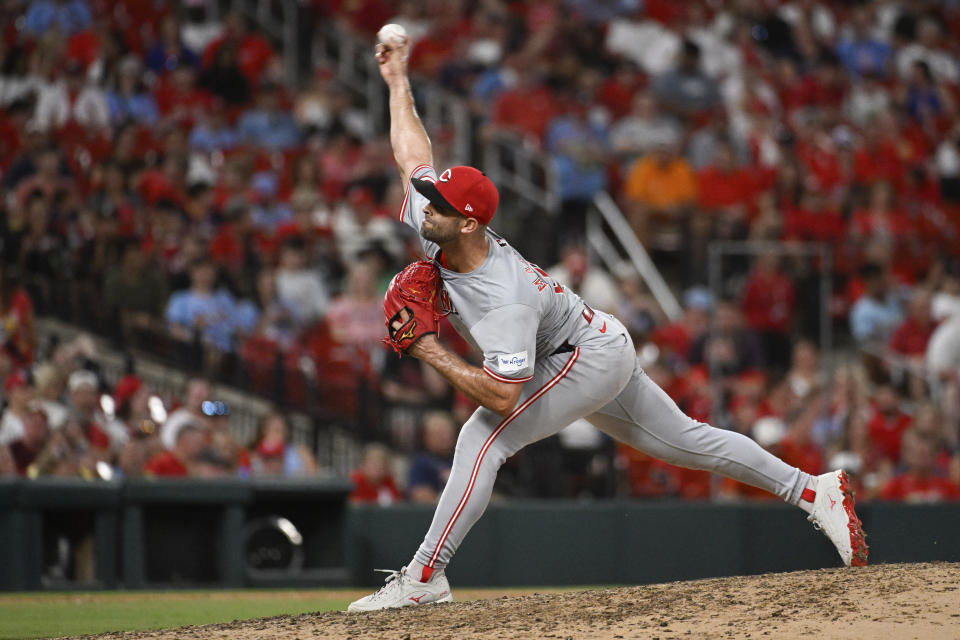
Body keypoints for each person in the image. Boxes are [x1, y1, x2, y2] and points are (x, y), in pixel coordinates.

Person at [347, 36, 868, 613]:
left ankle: (425, 576)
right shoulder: (444, 225)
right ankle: (813, 491)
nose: (426, 204)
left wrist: (426, 350)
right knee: (686, 441)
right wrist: (398, 83)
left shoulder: (504, 300)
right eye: (431, 198)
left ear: (469, 224)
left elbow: (500, 395)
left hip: (580, 357)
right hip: (592, 343)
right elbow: (410, 153)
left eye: (438, 202)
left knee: (482, 437)